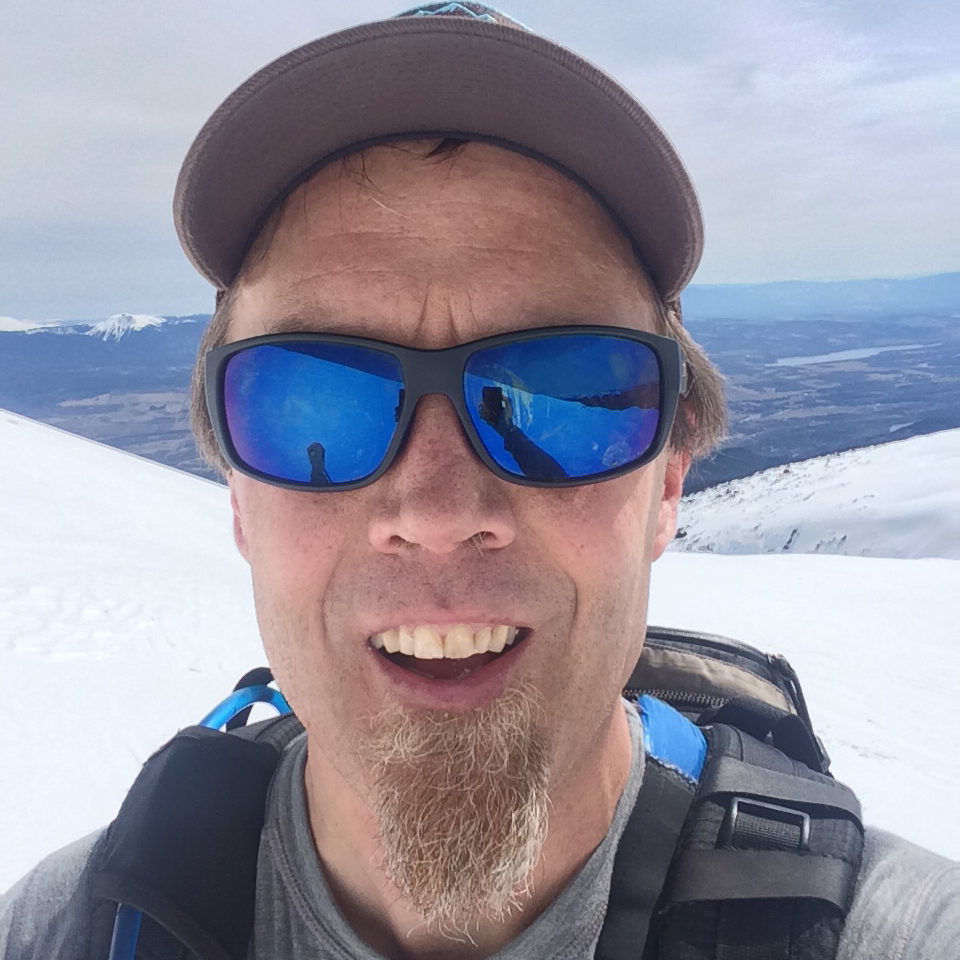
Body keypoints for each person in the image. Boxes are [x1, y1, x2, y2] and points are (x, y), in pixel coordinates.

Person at [2, 4, 957, 959]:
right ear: (239, 493)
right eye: (316, 400)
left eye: (558, 393)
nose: (437, 511)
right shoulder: (66, 932)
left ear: (669, 482)